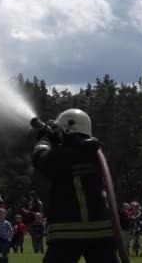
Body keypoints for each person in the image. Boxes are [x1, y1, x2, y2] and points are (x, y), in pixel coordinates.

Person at [33, 108, 117, 262]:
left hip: (67, 229)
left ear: (66, 129)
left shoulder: (63, 155)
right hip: (101, 230)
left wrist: (45, 138)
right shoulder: (95, 152)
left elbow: (40, 159)